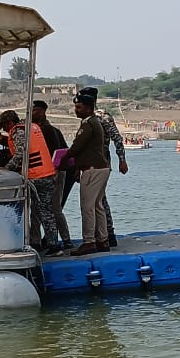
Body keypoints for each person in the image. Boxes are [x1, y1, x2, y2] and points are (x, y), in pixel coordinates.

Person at [0, 110, 63, 256]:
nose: (6, 131)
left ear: (10, 123)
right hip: (48, 173)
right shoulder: (32, 127)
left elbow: (21, 153)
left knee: (25, 210)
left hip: (35, 176)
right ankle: (53, 245)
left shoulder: (17, 132)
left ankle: (27, 242)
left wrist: (6, 169)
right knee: (46, 211)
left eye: (5, 127)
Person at [77, 88, 130, 245]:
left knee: (99, 200)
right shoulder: (88, 117)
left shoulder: (102, 117)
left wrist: (122, 159)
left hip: (101, 161)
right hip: (92, 161)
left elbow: (117, 139)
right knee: (97, 200)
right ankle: (102, 234)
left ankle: (107, 233)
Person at [67, 92, 111, 255]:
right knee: (97, 205)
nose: (76, 110)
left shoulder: (88, 124)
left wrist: (64, 158)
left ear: (88, 108)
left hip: (92, 169)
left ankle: (89, 241)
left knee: (87, 206)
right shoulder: (94, 122)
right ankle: (102, 239)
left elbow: (77, 147)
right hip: (102, 167)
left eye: (79, 107)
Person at [33, 100, 73, 249]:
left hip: (53, 173)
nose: (33, 113)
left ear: (43, 112)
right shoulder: (43, 130)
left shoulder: (47, 131)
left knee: (51, 208)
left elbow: (59, 153)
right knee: (50, 209)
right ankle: (59, 239)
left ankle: (56, 240)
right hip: (50, 173)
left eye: (36, 110)